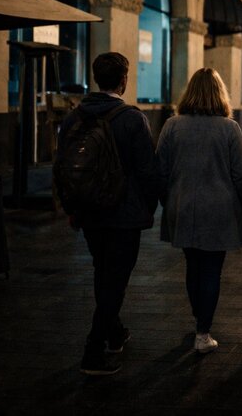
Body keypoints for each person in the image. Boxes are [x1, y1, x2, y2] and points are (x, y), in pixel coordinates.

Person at [57, 52, 162, 376]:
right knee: (115, 279)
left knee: (103, 271)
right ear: (123, 80)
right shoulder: (132, 119)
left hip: (89, 211)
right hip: (122, 213)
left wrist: (72, 208)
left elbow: (64, 166)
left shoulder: (74, 117)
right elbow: (147, 170)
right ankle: (94, 349)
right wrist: (148, 206)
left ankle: (114, 331)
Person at [156, 68, 242, 354]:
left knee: (193, 265)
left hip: (182, 205)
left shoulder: (172, 126)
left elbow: (160, 170)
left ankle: (199, 318)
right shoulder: (229, 128)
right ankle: (203, 331)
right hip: (220, 209)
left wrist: (167, 200)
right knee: (211, 269)